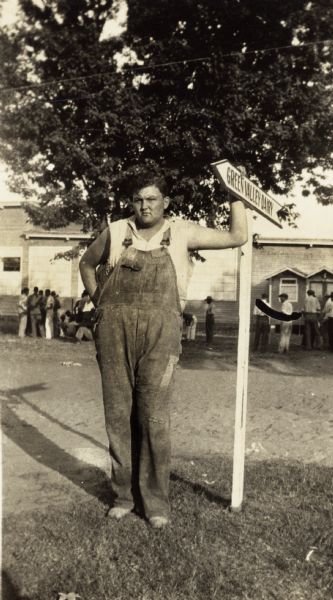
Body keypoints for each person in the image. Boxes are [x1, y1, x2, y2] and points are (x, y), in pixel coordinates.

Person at [79, 171, 247, 528]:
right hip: (114, 331)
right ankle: (123, 496)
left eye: (152, 199)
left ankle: (155, 503)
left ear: (165, 203)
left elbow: (237, 236)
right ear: (132, 203)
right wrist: (99, 302)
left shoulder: (183, 232)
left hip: (162, 332)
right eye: (139, 199)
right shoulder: (116, 231)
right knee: (118, 415)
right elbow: (86, 263)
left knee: (154, 417)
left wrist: (236, 193)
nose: (145, 206)